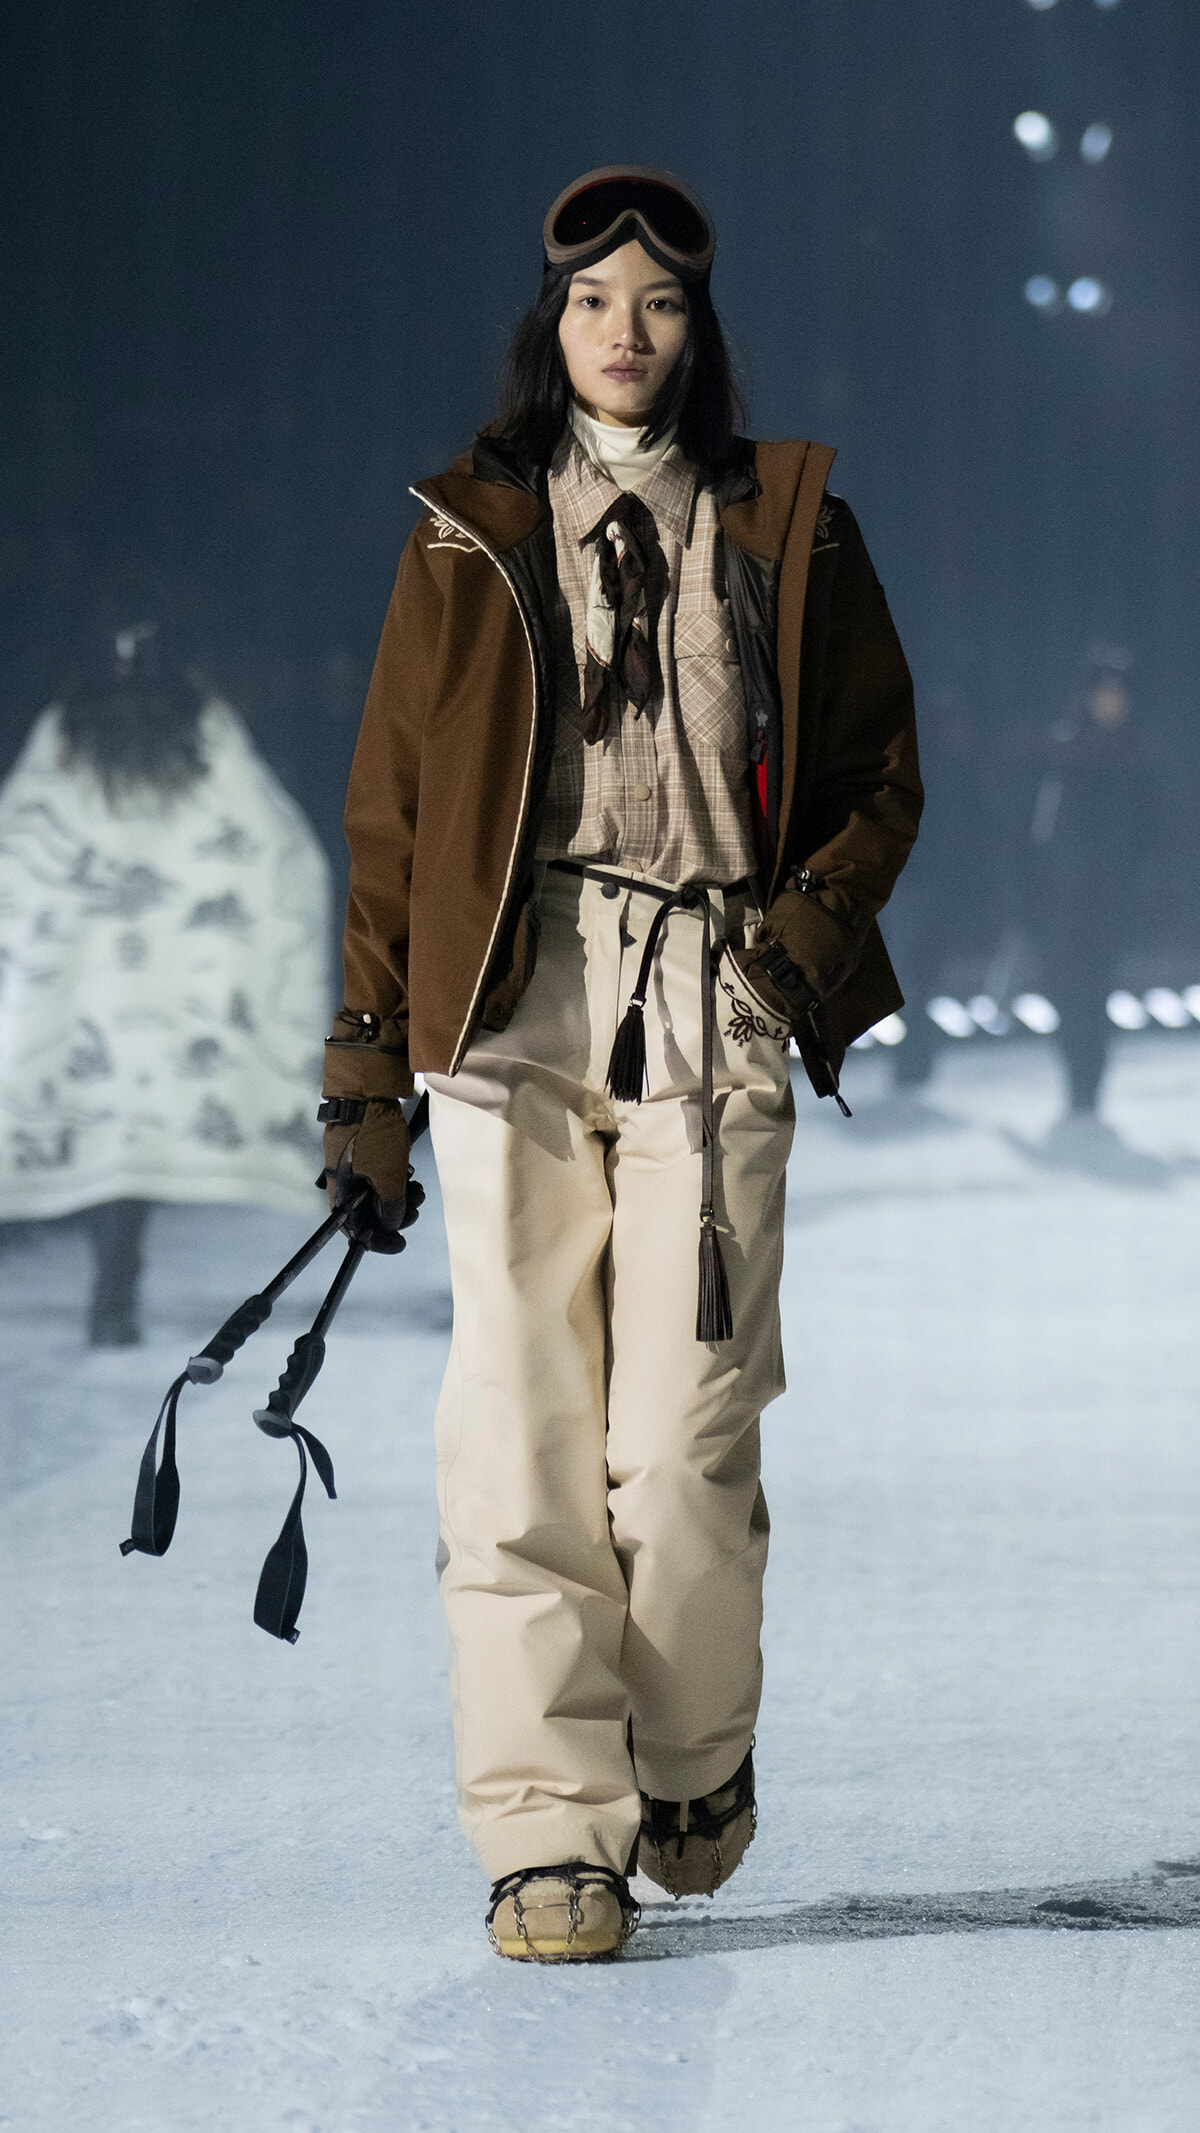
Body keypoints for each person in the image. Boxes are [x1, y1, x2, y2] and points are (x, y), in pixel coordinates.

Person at [319, 166, 922, 1960]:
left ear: (698, 325)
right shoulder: (466, 531)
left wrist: (797, 945)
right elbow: (392, 816)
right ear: (551, 321)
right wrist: (365, 1078)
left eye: (659, 301)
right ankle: (546, 1835)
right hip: (510, 1005)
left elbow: (883, 774)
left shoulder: (791, 521)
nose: (627, 332)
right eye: (596, 300)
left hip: (707, 994)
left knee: (679, 1443)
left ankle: (689, 1762)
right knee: (518, 1435)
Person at [0, 621, 330, 1344]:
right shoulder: (196, 722)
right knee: (124, 1128)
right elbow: (269, 835)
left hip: (103, 975)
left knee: (116, 1128)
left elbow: (23, 836)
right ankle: (117, 1283)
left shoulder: (77, 725)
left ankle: (114, 1283)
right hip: (164, 972)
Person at [1030, 648, 1153, 1122]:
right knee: (1065, 991)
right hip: (1063, 898)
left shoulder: (1135, 757)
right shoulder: (1067, 755)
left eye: (1118, 695)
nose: (1111, 703)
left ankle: (1087, 1087)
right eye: (1103, 694)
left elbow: (1150, 833)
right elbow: (1044, 831)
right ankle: (1077, 1079)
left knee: (1094, 991)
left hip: (1109, 900)